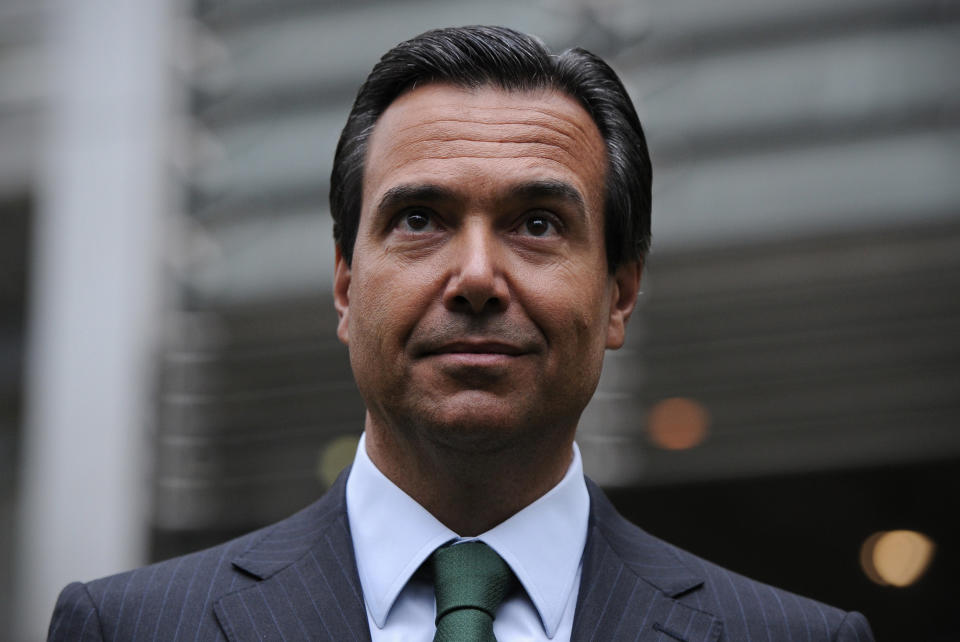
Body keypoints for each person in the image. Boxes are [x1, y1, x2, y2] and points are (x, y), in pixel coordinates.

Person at [48, 26, 874, 642]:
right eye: (419, 218)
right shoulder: (127, 628)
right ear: (344, 282)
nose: (477, 276)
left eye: (538, 224)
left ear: (620, 293)